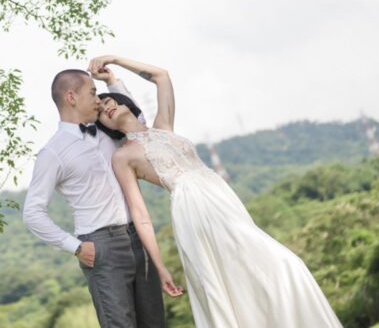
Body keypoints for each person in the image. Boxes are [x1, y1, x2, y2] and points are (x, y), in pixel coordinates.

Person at [88, 55, 344, 328]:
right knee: (270, 269)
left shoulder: (164, 127)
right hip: (193, 208)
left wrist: (115, 62)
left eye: (109, 101)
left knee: (261, 271)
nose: (107, 107)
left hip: (220, 195)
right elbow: (141, 216)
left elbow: (161, 76)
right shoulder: (123, 157)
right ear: (106, 127)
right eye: (101, 112)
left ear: (124, 102)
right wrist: (160, 267)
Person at [23, 69, 181, 328]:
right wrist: (75, 247)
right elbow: (32, 213)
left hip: (139, 238)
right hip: (101, 247)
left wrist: (112, 81)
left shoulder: (109, 130)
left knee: (155, 323)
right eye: (93, 92)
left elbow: (136, 120)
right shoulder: (52, 153)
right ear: (72, 97)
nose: (98, 100)